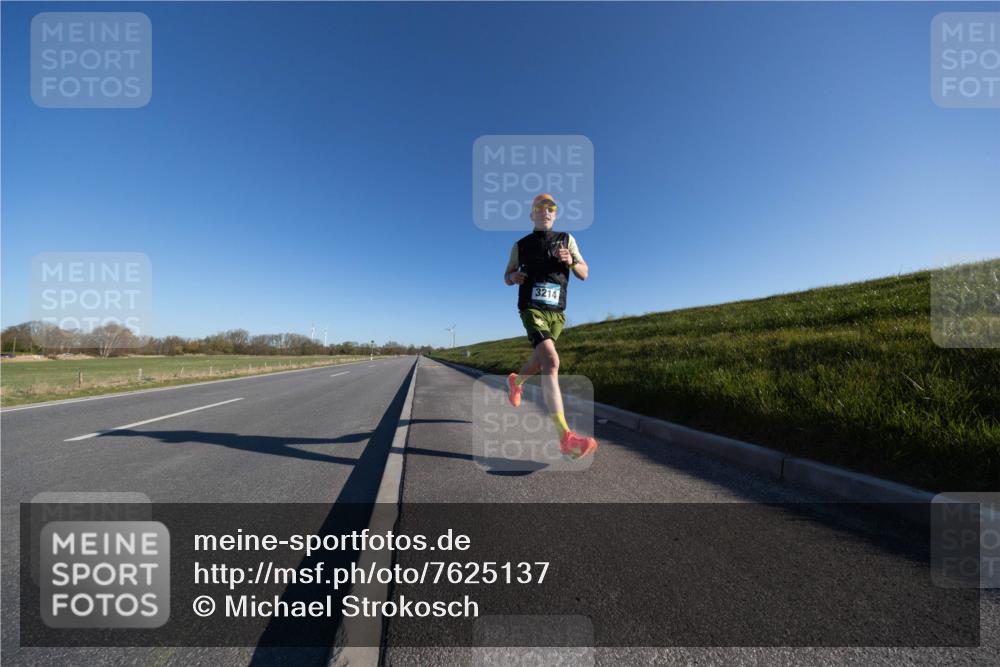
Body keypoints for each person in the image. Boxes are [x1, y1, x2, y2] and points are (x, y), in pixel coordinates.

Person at [503, 193, 598, 460]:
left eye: (551, 208)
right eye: (539, 207)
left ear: (555, 214)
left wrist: (571, 261)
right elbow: (506, 276)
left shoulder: (567, 240)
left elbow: (585, 272)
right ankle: (566, 438)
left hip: (557, 312)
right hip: (531, 308)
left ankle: (516, 380)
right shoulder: (520, 245)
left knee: (540, 361)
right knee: (552, 362)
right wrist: (514, 276)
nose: (545, 211)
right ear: (532, 214)